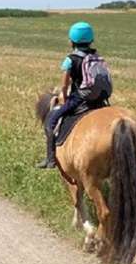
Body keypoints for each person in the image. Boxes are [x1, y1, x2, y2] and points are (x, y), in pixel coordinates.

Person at [37, 21, 105, 169]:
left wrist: (64, 96)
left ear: (71, 41)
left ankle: (50, 159)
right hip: (100, 98)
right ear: (91, 40)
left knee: (51, 121)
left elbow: (65, 85)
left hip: (80, 98)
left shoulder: (70, 59)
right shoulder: (97, 56)